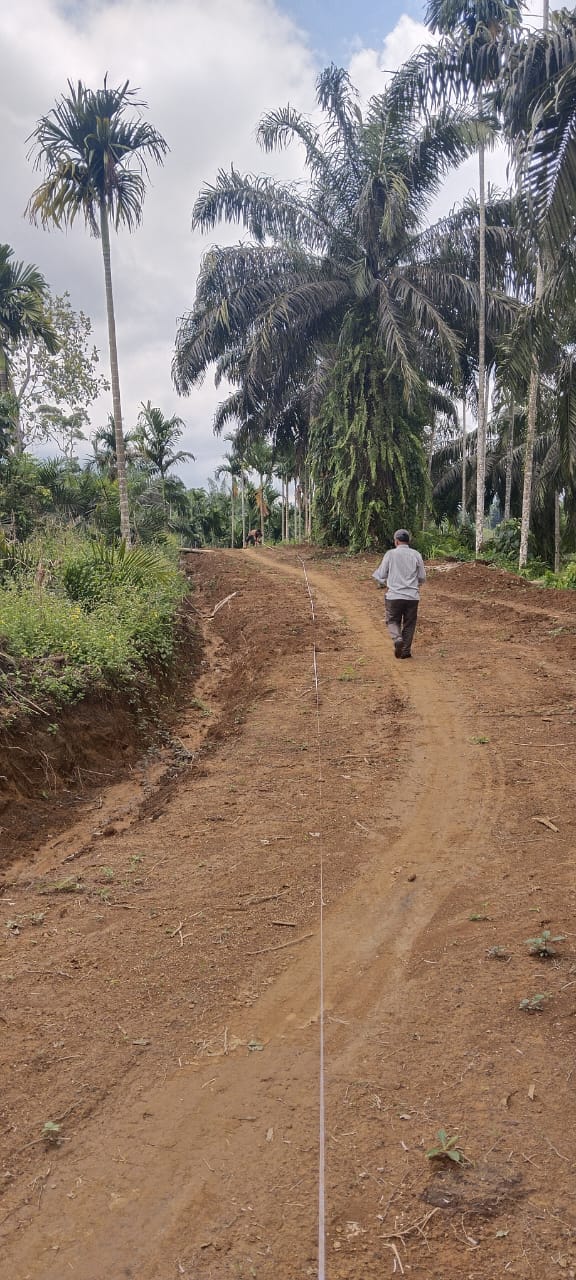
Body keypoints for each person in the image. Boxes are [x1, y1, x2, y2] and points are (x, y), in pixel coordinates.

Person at [372, 529, 426, 659]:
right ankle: (405, 652)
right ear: (409, 541)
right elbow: (422, 577)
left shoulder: (390, 554)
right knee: (409, 624)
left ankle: (397, 639)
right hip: (412, 597)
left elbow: (381, 575)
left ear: (396, 541)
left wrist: (385, 582)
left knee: (392, 620)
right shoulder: (416, 555)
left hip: (394, 596)